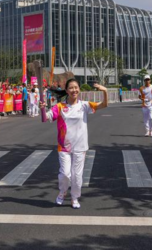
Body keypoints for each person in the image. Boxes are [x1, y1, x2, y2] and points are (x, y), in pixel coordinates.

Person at [40, 79, 108, 209]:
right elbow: (45, 118)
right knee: (65, 173)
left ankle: (75, 197)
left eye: (76, 87)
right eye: (71, 88)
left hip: (80, 146)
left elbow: (104, 105)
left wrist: (105, 91)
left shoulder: (84, 105)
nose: (74, 90)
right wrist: (43, 109)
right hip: (64, 146)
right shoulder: (60, 107)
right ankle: (62, 191)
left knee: (77, 175)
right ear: (66, 90)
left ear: (79, 90)